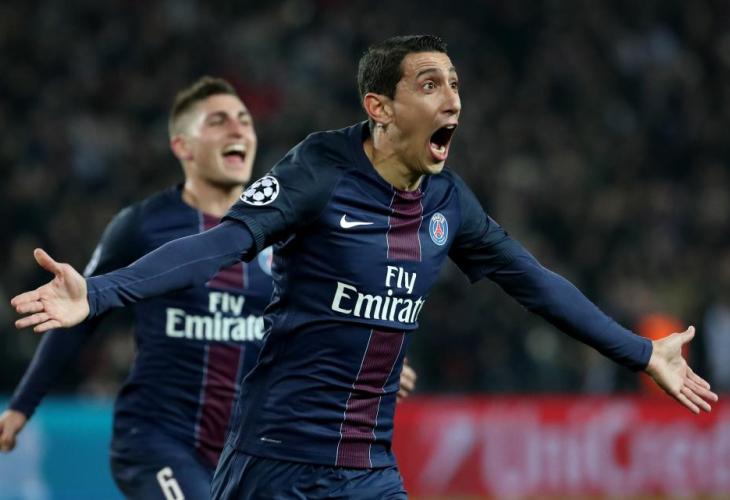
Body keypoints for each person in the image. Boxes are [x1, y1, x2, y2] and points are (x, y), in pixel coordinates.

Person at [11, 35, 716, 499]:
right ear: (379, 107)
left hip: (369, 469)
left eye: (455, 84)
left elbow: (533, 283)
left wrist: (641, 352)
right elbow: (222, 244)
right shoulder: (319, 170)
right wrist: (100, 292)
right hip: (274, 462)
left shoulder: (448, 202)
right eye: (431, 84)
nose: (453, 99)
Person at [1, 75, 417, 499]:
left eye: (244, 121)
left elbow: (320, 314)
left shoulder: (289, 227)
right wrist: (21, 406)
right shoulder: (142, 225)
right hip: (158, 441)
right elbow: (81, 316)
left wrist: (366, 356)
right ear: (184, 146)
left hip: (249, 451)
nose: (238, 130)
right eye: (219, 121)